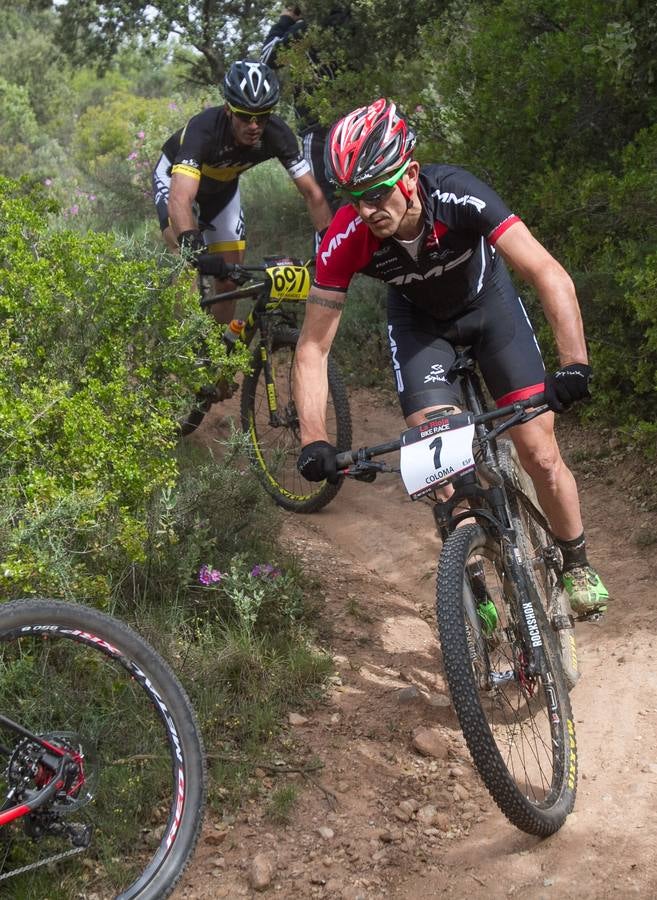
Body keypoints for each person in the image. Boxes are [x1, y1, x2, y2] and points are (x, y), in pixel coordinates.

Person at [292, 98, 609, 616]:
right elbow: (312, 346)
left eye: (377, 191)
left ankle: (576, 562)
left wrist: (573, 363)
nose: (368, 210)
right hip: (420, 327)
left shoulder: (458, 194)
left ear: (410, 174)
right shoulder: (346, 236)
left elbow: (547, 272)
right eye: (354, 197)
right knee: (442, 473)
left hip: (490, 310)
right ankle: (476, 595)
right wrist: (313, 439)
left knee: (541, 454)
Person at [152, 59, 332, 324]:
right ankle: (184, 348)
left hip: (221, 191)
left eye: (263, 116)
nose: (254, 126)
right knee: (186, 260)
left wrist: (331, 242)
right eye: (245, 116)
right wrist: (196, 250)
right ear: (228, 109)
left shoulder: (277, 134)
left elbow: (312, 194)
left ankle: (217, 356)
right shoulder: (203, 130)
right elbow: (180, 198)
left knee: (228, 282)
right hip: (174, 181)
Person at [261, 5, 351, 219]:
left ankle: (327, 251)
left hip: (317, 126)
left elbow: (267, 57)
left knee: (322, 199)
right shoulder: (356, 22)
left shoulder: (306, 29)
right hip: (356, 121)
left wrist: (285, 20)